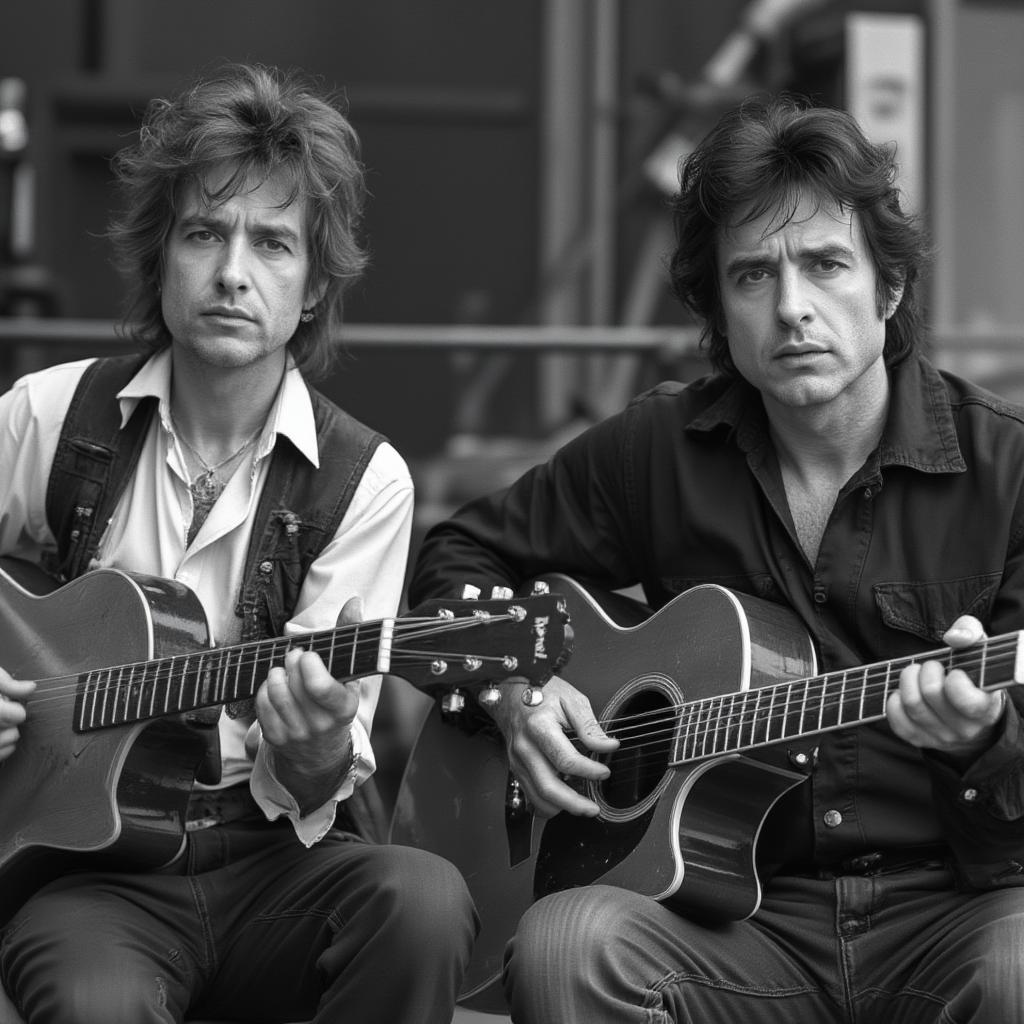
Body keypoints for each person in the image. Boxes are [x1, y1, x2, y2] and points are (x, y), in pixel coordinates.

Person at [408, 95, 1024, 1022]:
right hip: (733, 925)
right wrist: (518, 694)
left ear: (889, 288)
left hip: (952, 910)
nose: (792, 309)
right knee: (568, 946)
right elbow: (455, 556)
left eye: (825, 266)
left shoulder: (1008, 469)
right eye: (752, 277)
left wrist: (982, 740)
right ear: (719, 310)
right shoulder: (658, 449)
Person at [0, 62, 475, 1024]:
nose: (231, 273)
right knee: (94, 998)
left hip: (275, 862)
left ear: (310, 289)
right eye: (204, 234)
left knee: (423, 905)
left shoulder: (364, 479)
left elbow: (315, 776)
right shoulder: (51, 415)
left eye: (273, 243)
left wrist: (309, 751)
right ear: (159, 258)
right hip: (90, 870)